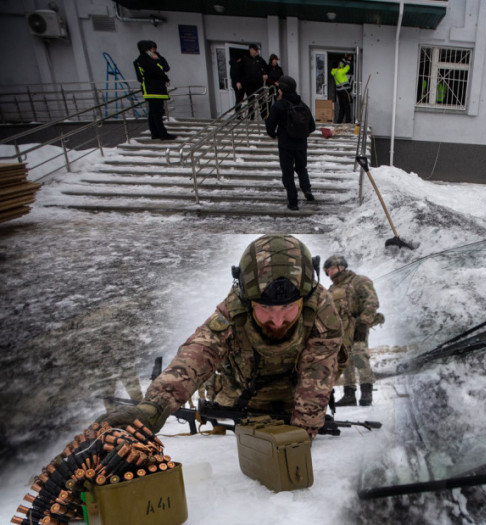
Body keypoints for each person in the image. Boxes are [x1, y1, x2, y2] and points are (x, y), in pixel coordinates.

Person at [96, 234, 344, 439]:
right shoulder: (234, 309)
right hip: (242, 406)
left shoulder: (321, 310)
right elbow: (199, 352)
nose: (278, 321)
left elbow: (317, 374)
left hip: (298, 404)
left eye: (289, 308)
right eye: (266, 308)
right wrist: (154, 407)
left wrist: (299, 437)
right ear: (247, 299)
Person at [325, 255, 382, 407]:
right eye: (327, 270)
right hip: (341, 330)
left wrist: (364, 323)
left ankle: (366, 391)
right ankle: (349, 394)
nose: (329, 272)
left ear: (340, 267)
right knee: (345, 361)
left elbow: (371, 301)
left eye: (331, 269)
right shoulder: (332, 289)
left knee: (359, 356)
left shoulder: (358, 281)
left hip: (357, 326)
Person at [264, 75, 316, 210]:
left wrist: (274, 135)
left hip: (286, 144)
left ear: (282, 89)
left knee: (288, 172)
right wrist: (302, 135)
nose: (278, 91)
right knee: (301, 168)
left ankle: (293, 202)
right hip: (301, 144)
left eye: (279, 88)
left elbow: (270, 125)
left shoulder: (279, 106)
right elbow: (312, 126)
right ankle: (307, 190)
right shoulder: (302, 104)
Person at [133, 40, 176, 140]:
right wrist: (164, 77)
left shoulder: (154, 58)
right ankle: (162, 134)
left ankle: (155, 133)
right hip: (152, 89)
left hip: (157, 89)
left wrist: (158, 58)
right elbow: (155, 71)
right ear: (146, 49)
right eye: (152, 48)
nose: (154, 50)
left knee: (154, 112)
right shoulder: (142, 60)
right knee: (156, 113)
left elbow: (166, 67)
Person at [231, 44, 268, 118]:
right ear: (251, 50)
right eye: (255, 50)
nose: (256, 52)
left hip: (258, 84)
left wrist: (264, 73)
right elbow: (238, 70)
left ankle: (264, 117)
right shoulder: (245, 58)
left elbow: (266, 68)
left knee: (261, 100)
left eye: (257, 50)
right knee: (250, 101)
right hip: (248, 84)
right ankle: (250, 117)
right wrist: (238, 81)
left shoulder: (259, 59)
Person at [331, 57, 352, 124]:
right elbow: (347, 68)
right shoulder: (340, 71)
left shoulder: (334, 71)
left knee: (342, 107)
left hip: (339, 92)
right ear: (337, 66)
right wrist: (348, 60)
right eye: (338, 65)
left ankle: (339, 121)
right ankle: (348, 121)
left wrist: (345, 58)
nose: (340, 65)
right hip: (344, 92)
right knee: (347, 107)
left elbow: (341, 64)